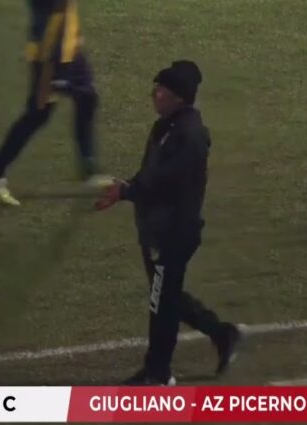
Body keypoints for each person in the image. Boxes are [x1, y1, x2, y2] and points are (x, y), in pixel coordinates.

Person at [95, 60, 241, 386]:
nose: (154, 94)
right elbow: (150, 175)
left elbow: (165, 182)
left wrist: (126, 192)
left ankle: (158, 373)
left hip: (173, 234)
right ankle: (222, 334)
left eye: (161, 89)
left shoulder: (188, 136)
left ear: (178, 97)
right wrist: (125, 189)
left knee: (161, 302)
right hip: (157, 229)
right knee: (166, 296)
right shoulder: (164, 128)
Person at [0, 0, 112, 207]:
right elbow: (50, 24)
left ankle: (89, 167)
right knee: (38, 114)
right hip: (51, 56)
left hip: (68, 49)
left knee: (87, 98)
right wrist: (50, 72)